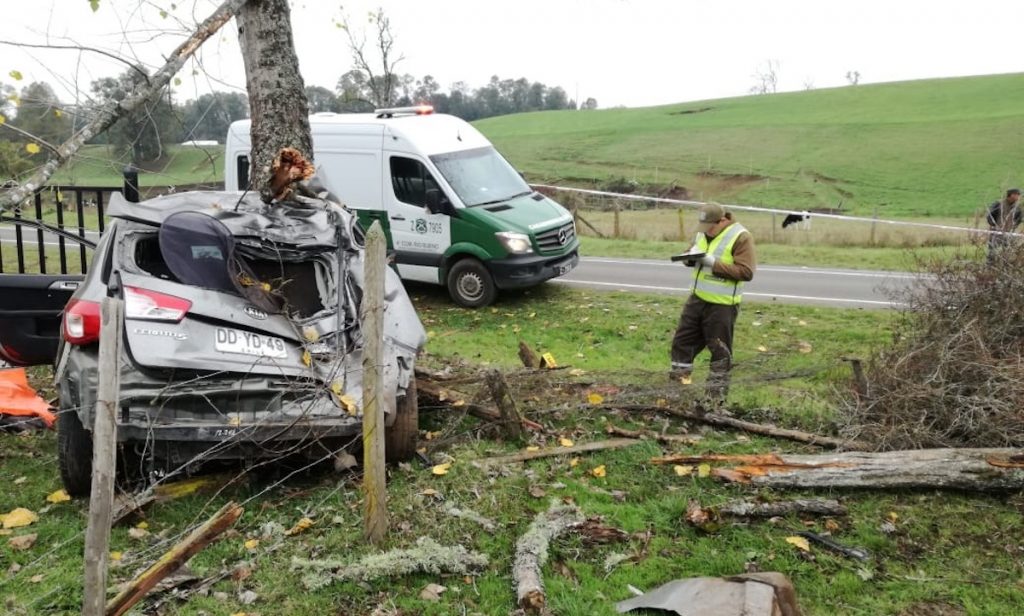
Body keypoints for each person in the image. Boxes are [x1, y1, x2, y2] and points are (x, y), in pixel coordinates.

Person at [670, 203, 756, 402]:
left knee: (720, 353)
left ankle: (714, 401)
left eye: (710, 226)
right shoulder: (703, 231)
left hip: (722, 306)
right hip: (697, 299)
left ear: (723, 220)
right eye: (703, 226)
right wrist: (689, 258)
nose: (706, 230)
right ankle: (677, 391)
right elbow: (691, 250)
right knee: (682, 344)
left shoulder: (741, 236)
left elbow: (746, 272)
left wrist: (713, 264)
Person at [986, 188, 1022, 263]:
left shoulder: (1017, 208)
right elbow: (990, 215)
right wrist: (993, 225)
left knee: (1007, 251)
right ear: (1011, 195)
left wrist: (1014, 227)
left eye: (1019, 195)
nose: (1018, 197)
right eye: (1016, 194)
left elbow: (1019, 218)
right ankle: (990, 266)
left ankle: (1004, 266)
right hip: (996, 231)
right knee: (992, 251)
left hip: (1009, 232)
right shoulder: (999, 204)